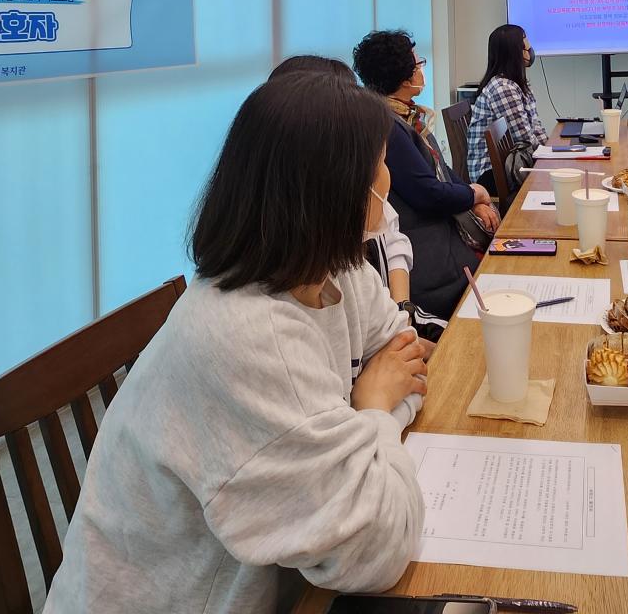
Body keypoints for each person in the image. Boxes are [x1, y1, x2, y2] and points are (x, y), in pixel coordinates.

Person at [43, 73, 428, 614]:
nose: (388, 180)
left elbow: (404, 356)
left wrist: (371, 422)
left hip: (283, 583)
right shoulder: (249, 337)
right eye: (381, 165)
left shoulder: (331, 268)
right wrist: (375, 412)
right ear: (335, 190)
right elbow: (375, 551)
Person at [269, 54, 444, 341]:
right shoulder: (275, 316)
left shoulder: (344, 265)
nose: (385, 177)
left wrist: (402, 312)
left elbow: (393, 333)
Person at [354, 30, 496, 320]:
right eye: (418, 64)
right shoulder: (388, 126)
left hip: (441, 239)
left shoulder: (405, 117)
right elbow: (429, 193)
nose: (421, 69)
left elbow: (441, 171)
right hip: (432, 261)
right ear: (404, 78)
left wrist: (472, 199)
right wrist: (475, 194)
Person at [465, 24, 548, 192]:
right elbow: (524, 138)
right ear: (514, 53)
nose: (530, 51)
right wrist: (550, 153)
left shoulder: (516, 84)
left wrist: (550, 149)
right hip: (490, 173)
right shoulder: (503, 88)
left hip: (508, 164)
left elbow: (535, 126)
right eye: (525, 47)